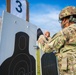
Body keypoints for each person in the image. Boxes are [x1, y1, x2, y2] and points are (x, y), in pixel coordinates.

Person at [38, 6, 76, 75]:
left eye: (61, 21)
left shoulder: (65, 32)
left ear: (65, 20)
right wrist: (49, 38)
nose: (61, 23)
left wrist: (40, 37)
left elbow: (47, 48)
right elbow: (62, 44)